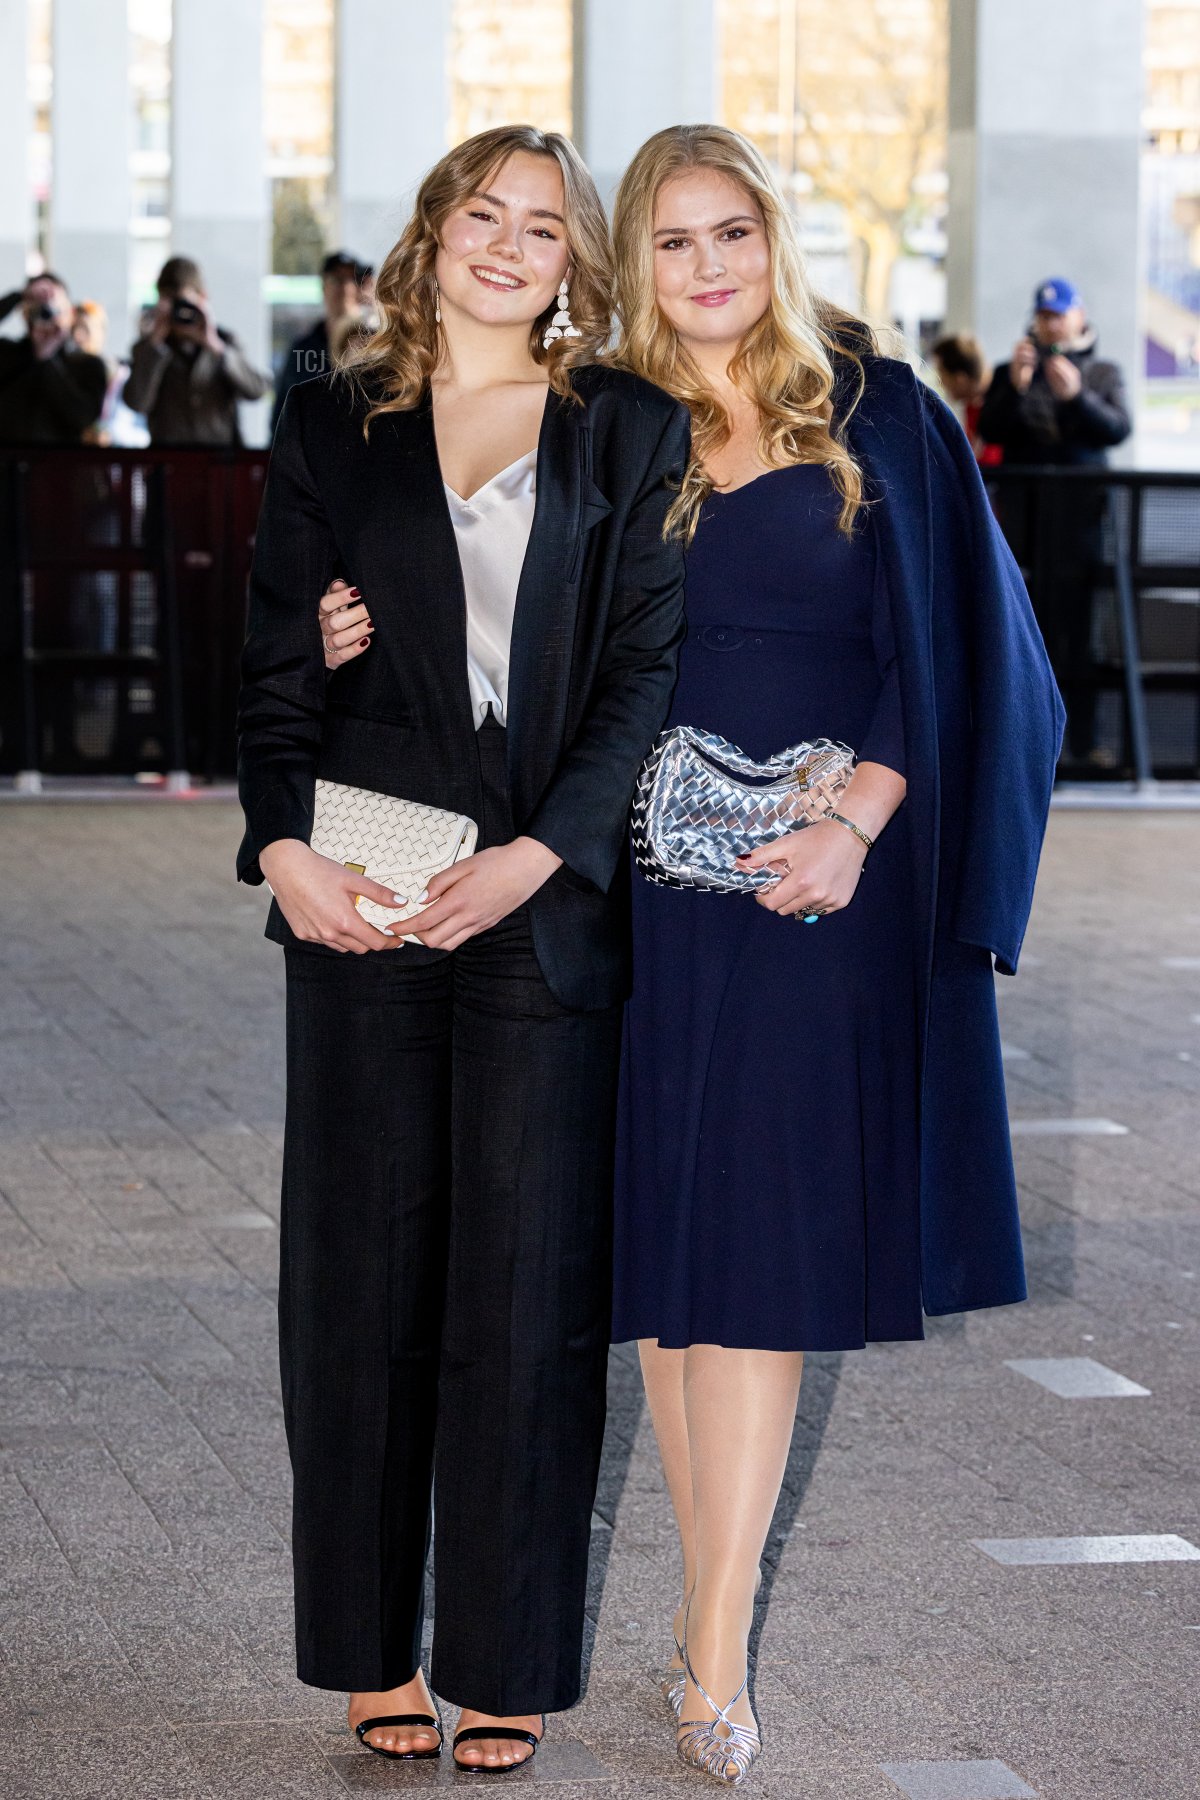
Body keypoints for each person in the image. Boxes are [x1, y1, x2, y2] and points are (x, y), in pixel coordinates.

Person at [319, 123, 1063, 1787]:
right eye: (669, 241)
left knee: (767, 1272)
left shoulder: (879, 415)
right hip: (628, 901)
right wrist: (340, 627)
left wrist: (859, 823)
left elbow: (961, 650)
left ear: (772, 240)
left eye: (732, 231)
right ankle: (700, 1627)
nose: (707, 266)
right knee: (671, 1270)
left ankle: (713, 1646)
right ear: (623, 264)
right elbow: (475, 618)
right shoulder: (594, 426)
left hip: (809, 900)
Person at [236, 125, 689, 1774]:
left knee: (527, 1290)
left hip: (540, 902)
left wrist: (540, 857)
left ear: (575, 262)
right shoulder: (326, 423)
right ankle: (368, 1651)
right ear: (434, 231)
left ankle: (503, 1655)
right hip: (364, 886)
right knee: (358, 1284)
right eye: (482, 212)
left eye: (543, 225)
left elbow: (645, 677)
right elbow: (278, 663)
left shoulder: (626, 429)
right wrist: (282, 848)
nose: (508, 243)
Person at [977, 278, 1132, 764]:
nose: (1052, 323)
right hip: (1023, 526)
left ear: (1079, 316)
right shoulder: (1012, 370)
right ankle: (1022, 743)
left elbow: (1116, 429)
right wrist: (1017, 389)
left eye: (1060, 314)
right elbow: (990, 430)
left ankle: (1084, 743)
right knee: (1021, 631)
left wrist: (1077, 397)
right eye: (1045, 316)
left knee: (1077, 632)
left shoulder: (1103, 371)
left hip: (1080, 527)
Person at [123, 255, 270, 444]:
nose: (178, 313)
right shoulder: (148, 349)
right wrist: (155, 345)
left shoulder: (225, 342)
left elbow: (257, 390)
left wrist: (216, 346)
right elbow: (137, 403)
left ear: (202, 299)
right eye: (170, 303)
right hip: (168, 462)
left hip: (221, 463)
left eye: (184, 304)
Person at [270, 249, 374, 437]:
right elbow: (283, 411)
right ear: (323, 286)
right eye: (336, 279)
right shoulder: (304, 348)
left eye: (351, 279)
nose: (344, 288)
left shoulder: (374, 342)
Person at [0, 273, 108, 443]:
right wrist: (19, 296)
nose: (46, 314)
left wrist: (47, 358)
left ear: (70, 312)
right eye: (38, 308)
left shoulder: (87, 364)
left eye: (53, 308)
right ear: (25, 314)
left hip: (60, 465)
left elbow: (83, 418)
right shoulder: (7, 354)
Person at [930, 331, 1001, 465]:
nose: (940, 382)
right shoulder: (973, 405)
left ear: (960, 379)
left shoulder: (996, 403)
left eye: (942, 373)